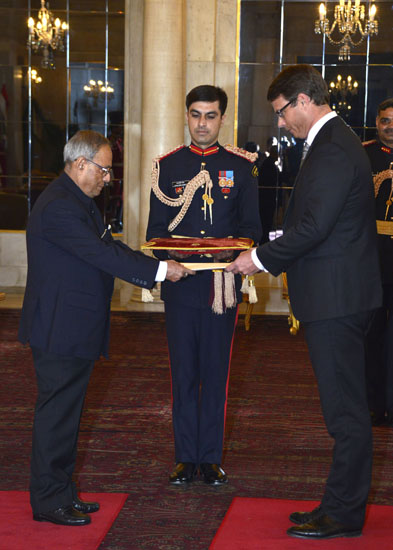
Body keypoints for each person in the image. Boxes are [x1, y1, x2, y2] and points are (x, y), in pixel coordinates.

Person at [226, 65, 382, 539]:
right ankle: (337, 505)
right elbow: (313, 221)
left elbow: (315, 228)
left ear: (301, 101)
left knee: (346, 413)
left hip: (338, 299)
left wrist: (258, 258)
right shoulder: (332, 141)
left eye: (280, 112)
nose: (278, 123)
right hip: (336, 295)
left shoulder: (333, 146)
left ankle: (344, 515)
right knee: (343, 410)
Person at [18, 130, 193, 526]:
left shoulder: (77, 200)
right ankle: (49, 501)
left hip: (72, 327)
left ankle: (62, 493)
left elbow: (110, 247)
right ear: (80, 164)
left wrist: (159, 263)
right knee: (57, 417)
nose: (107, 178)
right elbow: (99, 254)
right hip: (59, 329)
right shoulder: (60, 206)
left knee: (68, 416)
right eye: (104, 169)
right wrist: (162, 271)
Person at [146, 85, 261, 486]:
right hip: (180, 285)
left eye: (210, 116)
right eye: (195, 114)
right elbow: (156, 232)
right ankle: (184, 456)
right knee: (183, 373)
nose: (202, 123)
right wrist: (168, 265)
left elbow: (250, 230)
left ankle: (209, 457)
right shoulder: (169, 167)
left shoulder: (241, 167)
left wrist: (229, 260)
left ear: (222, 119)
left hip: (220, 288)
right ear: (186, 115)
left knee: (215, 372)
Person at [363, 98, 393, 426]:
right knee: (371, 336)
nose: (390, 127)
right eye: (385, 121)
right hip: (371, 259)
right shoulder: (364, 154)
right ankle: (373, 403)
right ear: (377, 121)